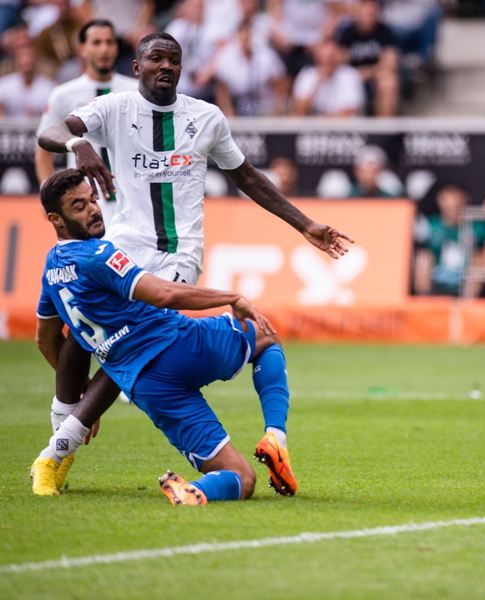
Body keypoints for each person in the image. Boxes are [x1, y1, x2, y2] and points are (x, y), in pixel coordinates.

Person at [37, 32, 353, 490]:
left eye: (174, 60)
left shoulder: (206, 117)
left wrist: (304, 224)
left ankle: (58, 451)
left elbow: (246, 175)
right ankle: (60, 439)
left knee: (131, 342)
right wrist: (77, 145)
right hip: (121, 245)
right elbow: (50, 133)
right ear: (137, 67)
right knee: (77, 338)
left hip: (177, 255)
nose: (166, 66)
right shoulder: (112, 109)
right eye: (156, 58)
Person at [29, 169, 295, 503]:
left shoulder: (51, 271)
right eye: (79, 206)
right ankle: (276, 438)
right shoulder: (98, 254)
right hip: (180, 345)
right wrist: (232, 297)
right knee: (265, 338)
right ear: (55, 219)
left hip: (147, 388)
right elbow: (163, 294)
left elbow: (45, 339)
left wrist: (82, 391)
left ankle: (193, 491)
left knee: (242, 478)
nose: (94, 210)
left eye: (93, 200)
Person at [35, 20, 138, 225]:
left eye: (109, 42)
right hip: (84, 204)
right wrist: (47, 191)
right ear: (82, 48)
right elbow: (43, 149)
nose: (104, 49)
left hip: (132, 202)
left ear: (117, 47)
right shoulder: (63, 94)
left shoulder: (136, 91)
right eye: (97, 42)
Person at [414, 184, 485, 299]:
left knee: (479, 258)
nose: (452, 204)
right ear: (439, 200)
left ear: (465, 199)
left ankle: (468, 302)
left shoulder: (477, 227)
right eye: (447, 199)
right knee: (423, 258)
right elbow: (425, 256)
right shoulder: (432, 226)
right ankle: (424, 301)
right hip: (439, 281)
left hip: (467, 284)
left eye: (457, 198)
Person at [337, 0, 400, 117]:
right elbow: (340, 62)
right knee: (344, 79)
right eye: (367, 14)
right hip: (353, 76)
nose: (370, 17)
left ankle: (384, 125)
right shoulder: (347, 34)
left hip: (375, 76)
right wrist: (354, 74)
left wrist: (368, 72)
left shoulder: (385, 32)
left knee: (388, 81)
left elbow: (390, 64)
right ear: (357, 14)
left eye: (373, 13)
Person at [214, 21, 287, 116]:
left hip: (265, 109)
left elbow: (280, 84)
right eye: (242, 37)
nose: (245, 40)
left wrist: (277, 111)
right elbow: (221, 89)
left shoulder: (267, 57)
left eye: (248, 36)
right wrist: (228, 113)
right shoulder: (226, 57)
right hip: (238, 110)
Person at [291, 39, 365, 116]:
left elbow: (348, 112)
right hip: (314, 122)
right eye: (324, 59)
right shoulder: (307, 75)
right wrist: (317, 84)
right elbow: (298, 110)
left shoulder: (349, 75)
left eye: (331, 58)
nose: (328, 63)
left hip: (337, 123)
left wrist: (322, 120)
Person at [0, 41, 55, 116]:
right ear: (16, 61)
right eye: (22, 57)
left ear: (36, 61)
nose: (26, 60)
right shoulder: (3, 86)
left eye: (29, 56)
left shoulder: (49, 88)